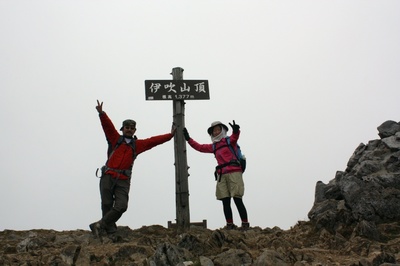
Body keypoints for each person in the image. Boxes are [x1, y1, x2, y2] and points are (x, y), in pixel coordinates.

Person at [90, 100, 176, 237]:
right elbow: (108, 127)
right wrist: (101, 113)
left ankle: (100, 224)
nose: (129, 129)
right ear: (122, 129)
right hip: (108, 175)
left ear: (135, 130)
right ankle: (109, 230)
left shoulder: (137, 145)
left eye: (132, 127)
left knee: (121, 206)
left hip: (123, 179)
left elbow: (153, 141)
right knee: (106, 204)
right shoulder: (115, 139)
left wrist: (170, 136)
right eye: (127, 127)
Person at [183, 120, 250, 230]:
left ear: (223, 130)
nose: (216, 132)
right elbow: (199, 147)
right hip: (222, 174)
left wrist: (236, 130)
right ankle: (230, 225)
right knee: (225, 200)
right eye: (214, 130)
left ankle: (245, 224)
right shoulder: (214, 146)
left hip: (234, 172)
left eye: (218, 129)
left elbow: (235, 137)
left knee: (237, 198)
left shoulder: (229, 141)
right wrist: (188, 139)